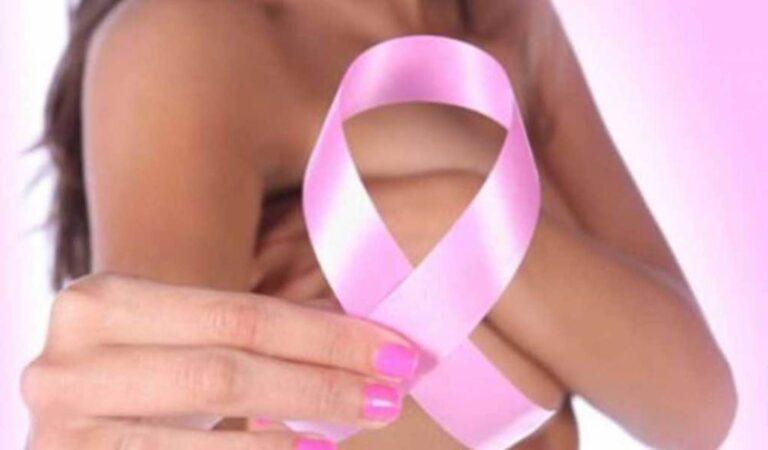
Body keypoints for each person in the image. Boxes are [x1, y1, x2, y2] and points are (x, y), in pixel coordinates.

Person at [22, 0, 737, 449]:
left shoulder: (514, 24)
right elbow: (151, 421)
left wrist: (446, 217)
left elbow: (697, 409)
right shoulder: (185, 35)